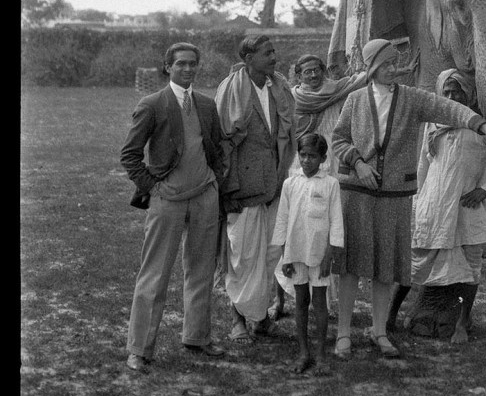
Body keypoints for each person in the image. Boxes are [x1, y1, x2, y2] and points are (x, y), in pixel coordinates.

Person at [330, 39, 486, 361]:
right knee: (351, 266)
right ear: (372, 67)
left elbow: (448, 108)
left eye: (395, 63)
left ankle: (379, 332)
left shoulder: (410, 99)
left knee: (386, 266)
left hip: (395, 195)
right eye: (386, 64)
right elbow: (339, 138)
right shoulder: (355, 100)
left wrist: (480, 124)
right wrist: (358, 163)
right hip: (356, 192)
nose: (393, 69)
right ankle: (344, 334)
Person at [121, 42, 227, 371]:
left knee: (201, 270)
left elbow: (216, 147)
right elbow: (130, 155)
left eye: (193, 63)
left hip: (205, 197)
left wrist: (214, 180)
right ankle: (140, 349)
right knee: (154, 274)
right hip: (166, 200)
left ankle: (197, 336)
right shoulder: (152, 104)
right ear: (168, 67)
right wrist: (153, 187)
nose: (187, 69)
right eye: (180, 63)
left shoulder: (207, 105)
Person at [386, 68, 486, 342]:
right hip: (434, 205)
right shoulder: (433, 124)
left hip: (466, 207)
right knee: (414, 263)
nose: (451, 97)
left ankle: (463, 323)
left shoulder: (480, 127)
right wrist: (419, 200)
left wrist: (484, 190)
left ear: (468, 93)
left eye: (457, 92)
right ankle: (389, 316)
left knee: (470, 266)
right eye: (446, 92)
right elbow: (423, 164)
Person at [267, 53, 367, 321]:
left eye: (316, 70)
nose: (312, 76)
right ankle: (280, 301)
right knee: (291, 230)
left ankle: (322, 300)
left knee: (322, 232)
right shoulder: (291, 98)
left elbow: (362, 78)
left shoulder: (338, 90)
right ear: (297, 75)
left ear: (324, 71)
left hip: (330, 167)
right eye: (306, 72)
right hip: (297, 167)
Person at [215, 34, 295, 342]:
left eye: (274, 51)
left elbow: (286, 136)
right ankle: (238, 319)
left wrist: (281, 177)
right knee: (242, 255)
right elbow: (222, 143)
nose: (274, 57)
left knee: (270, 253)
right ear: (249, 59)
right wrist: (228, 190)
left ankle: (260, 319)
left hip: (275, 183)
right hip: (242, 188)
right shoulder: (231, 89)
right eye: (267, 53)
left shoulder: (279, 88)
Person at [271, 133, 344, 375]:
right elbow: (282, 219)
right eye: (302, 155)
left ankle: (321, 353)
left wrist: (329, 254)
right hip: (296, 252)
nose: (306, 160)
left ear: (323, 158)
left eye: (312, 156)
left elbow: (336, 221)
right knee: (301, 300)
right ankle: (303, 352)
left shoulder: (331, 184)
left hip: (320, 254)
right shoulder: (291, 184)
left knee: (320, 302)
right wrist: (285, 254)